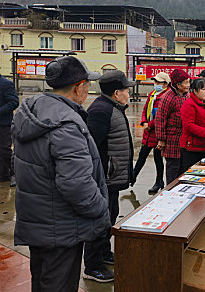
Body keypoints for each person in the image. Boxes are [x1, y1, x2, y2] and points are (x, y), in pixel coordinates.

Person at [11, 56, 110, 291]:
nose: (89, 90)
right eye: (88, 84)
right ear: (78, 88)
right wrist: (100, 209)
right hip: (61, 227)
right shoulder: (66, 124)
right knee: (59, 285)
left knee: (43, 282)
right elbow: (76, 185)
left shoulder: (33, 112)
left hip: (38, 221)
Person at [83, 70, 135, 282]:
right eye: (126, 90)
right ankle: (93, 267)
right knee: (99, 221)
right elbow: (91, 147)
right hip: (104, 178)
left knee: (109, 216)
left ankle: (104, 253)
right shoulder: (101, 111)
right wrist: (102, 174)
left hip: (111, 179)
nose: (128, 93)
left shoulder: (113, 107)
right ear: (116, 92)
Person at [132, 72, 171, 194]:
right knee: (142, 156)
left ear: (166, 84)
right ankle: (132, 178)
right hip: (148, 132)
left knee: (158, 159)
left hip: (158, 132)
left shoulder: (167, 96)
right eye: (155, 82)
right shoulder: (152, 94)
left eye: (159, 82)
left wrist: (150, 124)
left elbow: (162, 115)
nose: (156, 84)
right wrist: (144, 122)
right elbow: (145, 110)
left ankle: (159, 182)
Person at [179, 77, 205, 174]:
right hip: (192, 149)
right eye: (203, 89)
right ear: (194, 91)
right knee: (190, 175)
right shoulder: (189, 104)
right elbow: (189, 125)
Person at [155, 68, 190, 184]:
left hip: (184, 140)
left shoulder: (187, 95)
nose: (188, 85)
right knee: (173, 170)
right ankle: (170, 193)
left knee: (183, 171)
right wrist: (161, 139)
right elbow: (160, 119)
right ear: (178, 85)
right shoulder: (168, 97)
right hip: (172, 140)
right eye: (186, 83)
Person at [0, 73, 19, 183]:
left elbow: (14, 102)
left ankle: (15, 173)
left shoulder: (6, 84)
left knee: (4, 150)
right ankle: (3, 175)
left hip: (3, 124)